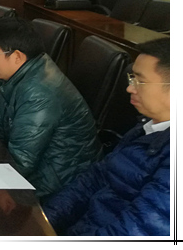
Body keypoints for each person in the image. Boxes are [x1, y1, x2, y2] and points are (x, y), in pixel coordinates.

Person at [42, 37, 170, 236]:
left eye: (140, 80)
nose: (130, 88)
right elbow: (94, 179)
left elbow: (134, 233)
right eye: (132, 79)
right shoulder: (145, 127)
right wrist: (45, 221)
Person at [0, 18, 101, 200]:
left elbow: (21, 162)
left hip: (60, 185)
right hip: (42, 172)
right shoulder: (20, 75)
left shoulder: (38, 92)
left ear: (16, 56)